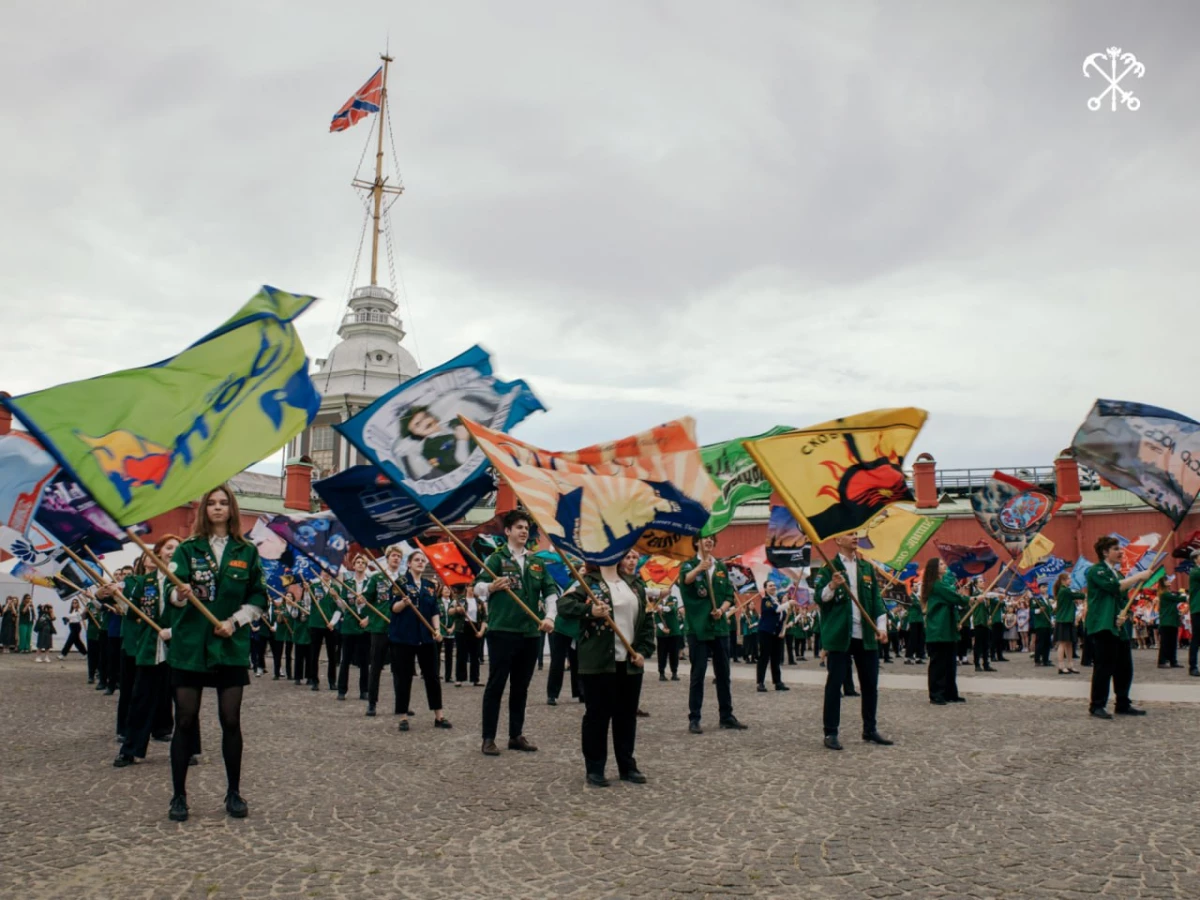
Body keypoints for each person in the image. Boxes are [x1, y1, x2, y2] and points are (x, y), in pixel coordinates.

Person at [165, 483, 268, 822]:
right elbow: (171, 595)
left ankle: (234, 792)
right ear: (204, 509)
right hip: (191, 646)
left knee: (230, 720)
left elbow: (257, 598)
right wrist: (181, 594)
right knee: (184, 719)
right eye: (212, 503)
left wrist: (235, 622)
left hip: (229, 646)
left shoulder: (246, 551)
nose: (218, 508)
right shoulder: (187, 550)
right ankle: (179, 796)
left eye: (224, 503)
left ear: (232, 509)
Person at [558, 548, 655, 787]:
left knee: (626, 716)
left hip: (629, 663)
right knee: (598, 716)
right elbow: (564, 606)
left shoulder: (634, 584)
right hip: (599, 662)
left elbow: (646, 621)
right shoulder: (587, 582)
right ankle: (595, 767)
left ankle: (626, 765)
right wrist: (589, 610)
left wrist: (643, 651)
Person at [474, 509, 557, 756]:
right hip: (502, 631)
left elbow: (551, 592)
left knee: (521, 687)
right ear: (508, 531)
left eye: (526, 528)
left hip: (530, 633)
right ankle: (488, 738)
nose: (523, 531)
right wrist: (490, 586)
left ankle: (515, 735)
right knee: (496, 685)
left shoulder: (537, 562)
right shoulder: (496, 559)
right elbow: (476, 586)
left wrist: (550, 616)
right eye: (518, 527)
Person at [813, 535, 892, 750]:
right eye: (850, 534)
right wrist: (832, 585)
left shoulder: (866, 567)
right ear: (838, 540)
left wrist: (882, 627)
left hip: (865, 635)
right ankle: (830, 732)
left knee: (870, 685)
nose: (855, 537)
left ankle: (870, 728)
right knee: (834, 684)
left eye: (856, 533)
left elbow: (876, 600)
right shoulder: (829, 566)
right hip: (840, 635)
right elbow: (819, 597)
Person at [110, 535, 181, 767]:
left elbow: (193, 616)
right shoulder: (145, 582)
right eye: (168, 547)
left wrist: (173, 630)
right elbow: (131, 612)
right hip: (151, 649)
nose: (172, 551)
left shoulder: (185, 581)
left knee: (184, 702)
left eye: (177, 548)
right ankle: (130, 749)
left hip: (180, 649)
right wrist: (115, 596)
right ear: (158, 551)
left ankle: (187, 749)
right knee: (140, 700)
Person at [678, 534, 746, 735]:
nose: (708, 541)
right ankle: (694, 717)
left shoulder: (721, 568)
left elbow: (728, 595)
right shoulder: (689, 565)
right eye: (704, 538)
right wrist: (701, 568)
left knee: (723, 673)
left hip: (719, 627)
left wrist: (722, 610)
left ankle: (726, 715)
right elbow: (686, 582)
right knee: (698, 673)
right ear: (696, 542)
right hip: (698, 627)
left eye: (712, 539)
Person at [1086, 536, 1151, 719]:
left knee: (1124, 667)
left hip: (1119, 626)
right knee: (1104, 666)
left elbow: (1123, 598)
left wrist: (1125, 613)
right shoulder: (1096, 571)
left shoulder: (1119, 573)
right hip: (1103, 624)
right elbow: (1113, 587)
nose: (1121, 552)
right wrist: (1138, 576)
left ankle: (1123, 702)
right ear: (1105, 552)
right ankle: (1097, 704)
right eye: (1116, 549)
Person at [387, 550, 451, 732]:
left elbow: (434, 610)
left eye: (423, 560)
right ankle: (403, 716)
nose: (421, 562)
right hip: (403, 637)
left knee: (432, 676)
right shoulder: (400, 583)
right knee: (403, 677)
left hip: (426, 637)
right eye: (417, 560)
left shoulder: (429, 585)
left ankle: (439, 715)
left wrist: (437, 630)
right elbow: (393, 608)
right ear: (409, 563)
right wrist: (404, 603)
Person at [365, 547, 407, 717]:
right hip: (380, 628)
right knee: (375, 667)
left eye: (399, 556)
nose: (396, 559)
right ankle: (371, 703)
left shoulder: (404, 580)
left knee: (400, 669)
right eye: (393, 556)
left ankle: (401, 705)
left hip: (398, 630)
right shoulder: (376, 578)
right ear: (387, 559)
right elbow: (367, 598)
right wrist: (362, 600)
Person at [922, 559, 966, 705]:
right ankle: (936, 694)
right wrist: (971, 599)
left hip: (948, 629)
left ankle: (950, 692)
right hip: (938, 630)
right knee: (938, 664)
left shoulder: (942, 583)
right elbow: (954, 597)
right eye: (941, 564)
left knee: (949, 663)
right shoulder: (936, 585)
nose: (945, 565)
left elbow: (951, 592)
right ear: (934, 568)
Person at [335, 555, 373, 701]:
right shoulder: (347, 583)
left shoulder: (370, 583)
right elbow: (344, 607)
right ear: (354, 565)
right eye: (358, 562)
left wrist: (367, 619)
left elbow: (374, 604)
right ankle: (342, 689)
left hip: (364, 626)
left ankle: (364, 690)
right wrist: (337, 598)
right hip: (349, 626)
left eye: (363, 562)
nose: (360, 564)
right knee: (345, 660)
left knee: (364, 661)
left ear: (366, 566)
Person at [306, 570, 340, 691]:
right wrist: (306, 592)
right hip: (316, 624)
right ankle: (314, 680)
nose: (326, 573)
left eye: (329, 571)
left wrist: (333, 622)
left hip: (330, 626)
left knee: (332, 655)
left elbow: (339, 608)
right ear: (320, 572)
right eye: (324, 571)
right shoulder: (314, 587)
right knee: (314, 654)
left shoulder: (336, 588)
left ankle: (332, 681)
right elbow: (307, 604)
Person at [755, 580, 790, 692]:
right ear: (765, 589)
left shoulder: (777, 601)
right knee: (764, 657)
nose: (773, 587)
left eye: (774, 585)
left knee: (776, 658)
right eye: (770, 586)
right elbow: (775, 611)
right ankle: (760, 682)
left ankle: (778, 682)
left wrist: (781, 630)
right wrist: (788, 604)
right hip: (766, 632)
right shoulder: (766, 600)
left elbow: (781, 616)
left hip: (776, 633)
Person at [449, 585, 486, 687]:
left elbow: (484, 618)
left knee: (475, 654)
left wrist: (481, 631)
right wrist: (457, 609)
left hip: (475, 628)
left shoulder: (479, 602)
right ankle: (459, 678)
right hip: (462, 628)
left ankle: (475, 679)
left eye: (474, 586)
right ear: (466, 588)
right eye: (470, 586)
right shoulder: (460, 600)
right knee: (461, 654)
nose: (472, 588)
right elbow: (450, 611)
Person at [1052, 573, 1083, 675]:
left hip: (1068, 619)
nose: (1070, 580)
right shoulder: (1064, 590)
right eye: (1069, 579)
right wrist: (1085, 593)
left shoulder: (1065, 590)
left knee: (1069, 643)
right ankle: (1061, 665)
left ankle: (1070, 664)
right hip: (1063, 620)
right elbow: (1078, 595)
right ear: (1063, 580)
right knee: (1062, 643)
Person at [651, 583, 681, 681]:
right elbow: (656, 617)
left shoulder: (673, 599)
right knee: (662, 654)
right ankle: (661, 673)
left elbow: (673, 609)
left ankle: (674, 672)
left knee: (674, 653)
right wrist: (662, 628)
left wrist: (662, 608)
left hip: (674, 631)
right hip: (662, 633)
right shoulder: (656, 601)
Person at [1156, 577, 1185, 669]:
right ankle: (1162, 661)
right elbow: (1179, 598)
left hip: (1172, 621)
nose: (1169, 581)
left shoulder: (1167, 594)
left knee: (1172, 642)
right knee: (1165, 642)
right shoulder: (1165, 594)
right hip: (1167, 621)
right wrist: (1183, 594)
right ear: (1163, 583)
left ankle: (1173, 661)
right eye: (1166, 580)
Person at [1188, 549, 1200, 677]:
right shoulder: (1195, 571)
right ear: (1196, 559)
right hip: (1198, 609)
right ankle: (1193, 666)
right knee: (1196, 638)